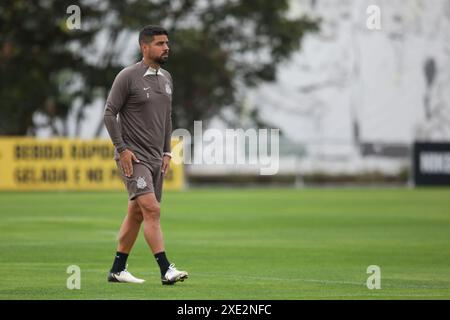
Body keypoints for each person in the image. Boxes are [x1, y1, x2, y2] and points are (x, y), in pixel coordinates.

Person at [103, 25, 188, 285]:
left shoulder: (167, 78)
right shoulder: (127, 76)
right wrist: (122, 149)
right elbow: (109, 113)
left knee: (137, 213)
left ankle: (118, 269)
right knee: (151, 209)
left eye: (167, 43)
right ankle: (166, 269)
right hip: (134, 158)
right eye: (160, 43)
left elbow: (167, 118)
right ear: (145, 47)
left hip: (155, 158)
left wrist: (166, 151)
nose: (166, 47)